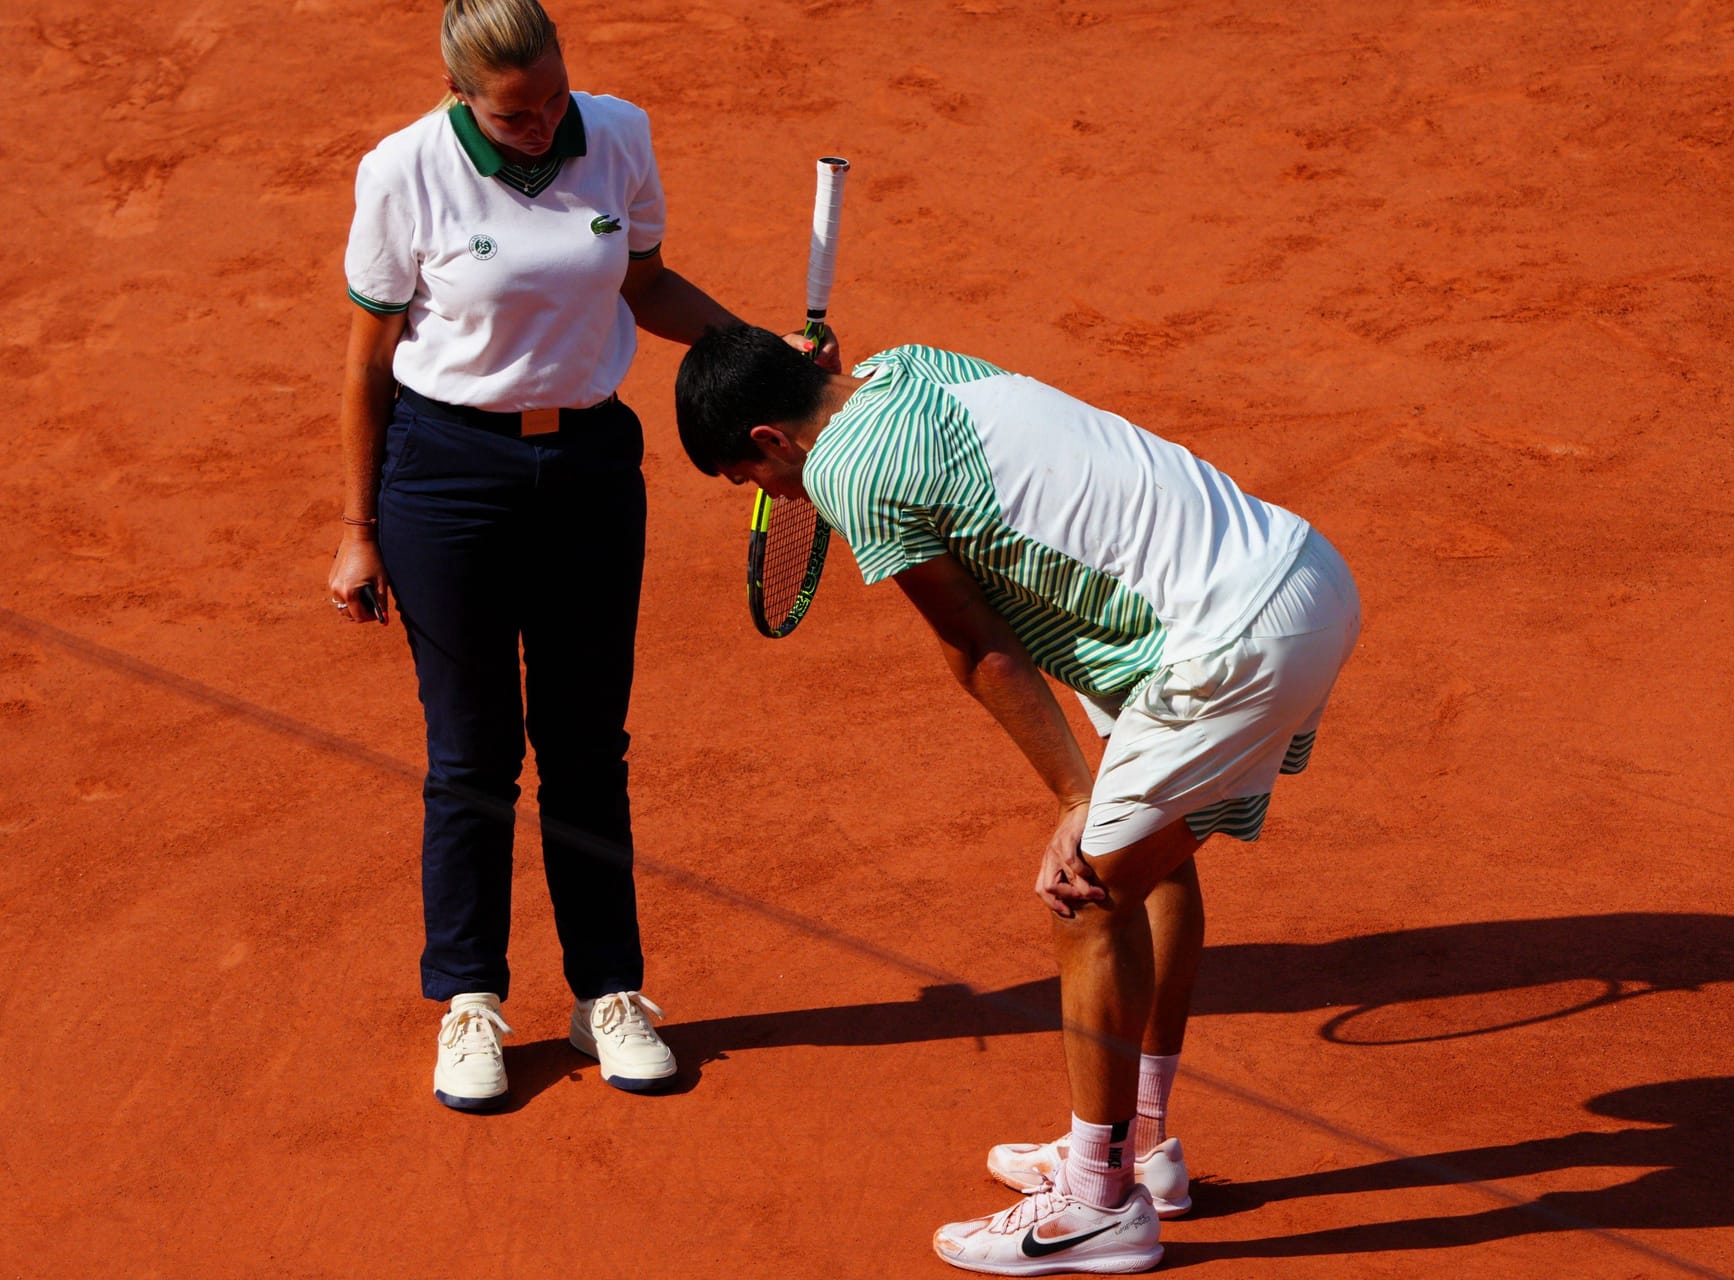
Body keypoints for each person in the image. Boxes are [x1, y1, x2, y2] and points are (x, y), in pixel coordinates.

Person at [675, 325, 1361, 1275]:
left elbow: (979, 648)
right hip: (1294, 570)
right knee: (1154, 872)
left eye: (756, 480)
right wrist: (818, 366)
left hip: (1225, 643)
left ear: (771, 439)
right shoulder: (913, 364)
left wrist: (1076, 795)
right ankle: (1140, 1148)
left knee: (1084, 899)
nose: (777, 499)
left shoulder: (848, 477)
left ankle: (1095, 1207)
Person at [325, 0, 835, 1113]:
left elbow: (645, 285)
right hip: (446, 474)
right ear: (465, 98)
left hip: (594, 469)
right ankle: (468, 997)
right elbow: (367, 362)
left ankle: (608, 989)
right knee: (472, 751)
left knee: (587, 744)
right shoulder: (402, 171)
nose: (546, 122)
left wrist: (756, 351)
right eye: (517, 114)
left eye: (555, 95)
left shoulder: (617, 132)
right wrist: (358, 530)